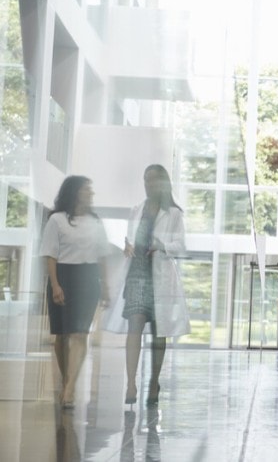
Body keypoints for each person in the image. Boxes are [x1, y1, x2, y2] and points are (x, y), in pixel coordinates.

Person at [121, 164, 190, 406]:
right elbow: (129, 238)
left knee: (159, 334)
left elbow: (180, 245)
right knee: (134, 328)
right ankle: (131, 383)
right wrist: (127, 245)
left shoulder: (173, 213)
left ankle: (154, 381)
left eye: (152, 180)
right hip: (137, 274)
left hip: (160, 276)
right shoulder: (136, 209)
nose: (148, 184)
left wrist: (161, 245)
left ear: (163, 183)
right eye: (145, 179)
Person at [40, 176, 110, 409]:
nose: (90, 193)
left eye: (91, 190)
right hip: (63, 275)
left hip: (88, 278)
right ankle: (67, 378)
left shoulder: (96, 222)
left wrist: (106, 287)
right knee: (61, 336)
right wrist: (55, 284)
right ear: (74, 192)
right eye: (86, 190)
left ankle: (69, 390)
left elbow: (102, 256)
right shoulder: (57, 220)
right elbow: (50, 254)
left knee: (80, 333)